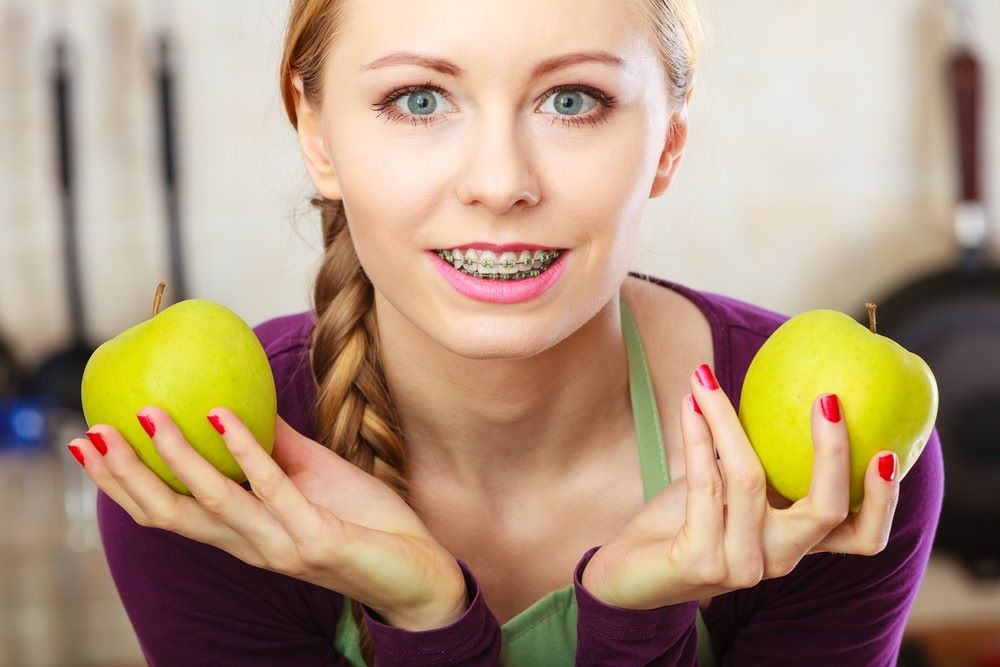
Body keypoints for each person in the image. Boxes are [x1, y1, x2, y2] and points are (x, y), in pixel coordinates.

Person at [67, 0, 944, 664]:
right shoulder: (202, 471)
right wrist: (424, 613)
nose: (499, 182)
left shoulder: (828, 457)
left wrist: (636, 611)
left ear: (669, 142)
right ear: (316, 130)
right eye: (418, 99)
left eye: (572, 99)